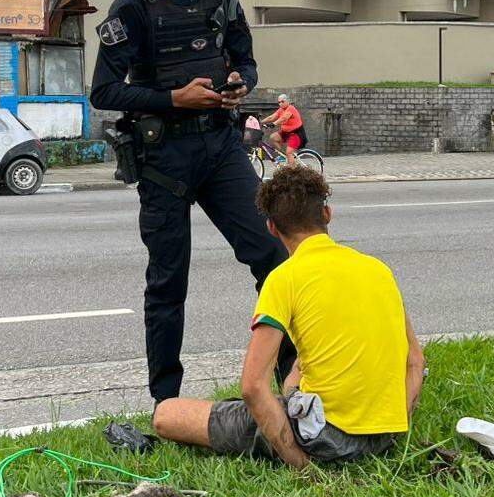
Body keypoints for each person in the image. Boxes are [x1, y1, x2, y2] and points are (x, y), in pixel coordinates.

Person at [89, 0, 293, 404]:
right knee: (167, 283)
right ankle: (168, 403)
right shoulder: (135, 4)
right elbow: (104, 91)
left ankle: (293, 384)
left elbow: (246, 58)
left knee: (273, 257)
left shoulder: (225, 0)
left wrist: (243, 81)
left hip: (221, 147)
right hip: (164, 156)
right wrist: (173, 99)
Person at [152, 166, 424, 467]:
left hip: (323, 438)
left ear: (271, 227)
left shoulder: (283, 279)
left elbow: (253, 387)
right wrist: (397, 424)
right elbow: (415, 361)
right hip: (386, 436)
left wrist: (301, 465)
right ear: (327, 214)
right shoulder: (378, 270)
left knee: (167, 414)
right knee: (296, 370)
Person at [262, 93, 306, 167]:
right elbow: (271, 117)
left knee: (289, 153)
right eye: (279, 102)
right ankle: (283, 155)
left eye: (282, 101)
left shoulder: (291, 108)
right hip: (286, 133)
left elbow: (284, 118)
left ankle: (295, 173)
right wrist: (259, 122)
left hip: (296, 133)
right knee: (273, 137)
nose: (280, 104)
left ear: (288, 101)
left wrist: (273, 124)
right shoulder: (281, 110)